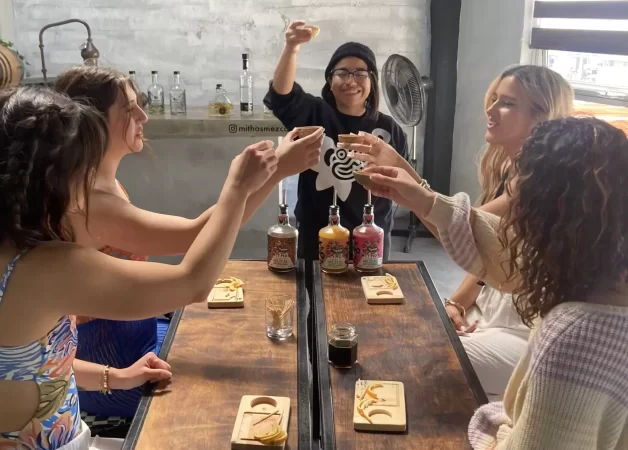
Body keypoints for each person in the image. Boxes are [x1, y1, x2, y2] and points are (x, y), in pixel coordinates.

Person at [0, 85, 278, 450]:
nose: (90, 177)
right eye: (84, 165)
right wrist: (236, 188)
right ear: (51, 177)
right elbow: (192, 283)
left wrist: (115, 377)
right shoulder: (46, 266)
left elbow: (25, 368)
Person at [53, 66, 323, 418]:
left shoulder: (103, 187)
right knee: (237, 388)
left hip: (134, 331)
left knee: (239, 342)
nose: (143, 115)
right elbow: (198, 237)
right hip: (109, 357)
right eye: (129, 109)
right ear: (92, 122)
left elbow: (205, 230)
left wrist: (273, 172)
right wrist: (269, 175)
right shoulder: (92, 203)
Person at [363, 116, 628, 449]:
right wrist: (419, 196)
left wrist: (494, 431)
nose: (512, 193)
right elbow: (501, 255)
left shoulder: (574, 334)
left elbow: (503, 256)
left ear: (546, 212)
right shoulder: (601, 268)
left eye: (520, 185)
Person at [345, 65, 574, 400]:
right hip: (496, 310)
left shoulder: (540, 182)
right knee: (401, 331)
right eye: (493, 99)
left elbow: (463, 231)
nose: (490, 110)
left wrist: (402, 171)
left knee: (406, 360)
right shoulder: (514, 171)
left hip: (526, 332)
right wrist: (457, 301)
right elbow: (484, 248)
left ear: (542, 116)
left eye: (507, 104)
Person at [264, 21, 408, 264]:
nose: (350, 81)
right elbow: (281, 97)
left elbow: (403, 184)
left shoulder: (390, 130)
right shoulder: (314, 115)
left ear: (371, 81)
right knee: (314, 296)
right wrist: (291, 47)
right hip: (316, 234)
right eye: (342, 73)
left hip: (371, 237)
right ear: (330, 81)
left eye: (360, 73)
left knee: (367, 295)